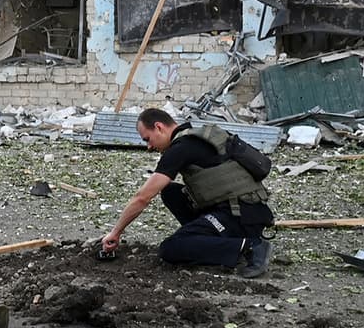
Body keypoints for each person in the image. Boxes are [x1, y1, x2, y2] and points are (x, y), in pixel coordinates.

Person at [98, 108, 273, 278]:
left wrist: (116, 232)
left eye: (148, 139)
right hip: (248, 210)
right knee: (170, 191)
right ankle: (205, 239)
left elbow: (142, 197)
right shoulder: (196, 137)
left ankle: (252, 247)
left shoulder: (181, 147)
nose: (149, 147)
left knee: (171, 248)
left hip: (238, 215)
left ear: (159, 127)